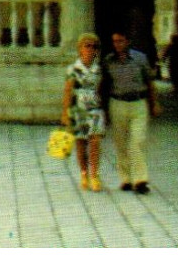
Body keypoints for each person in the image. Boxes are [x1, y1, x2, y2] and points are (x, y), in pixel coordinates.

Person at [101, 30, 160, 194]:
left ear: (127, 41)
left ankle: (140, 179)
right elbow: (104, 85)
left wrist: (154, 103)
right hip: (118, 102)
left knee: (137, 141)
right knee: (120, 142)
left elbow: (149, 82)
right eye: (114, 41)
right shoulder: (108, 61)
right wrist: (103, 108)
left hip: (138, 103)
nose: (117, 45)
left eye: (120, 41)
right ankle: (125, 178)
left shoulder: (140, 59)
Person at [61, 33, 107, 192]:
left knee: (95, 142)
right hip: (78, 109)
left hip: (94, 109)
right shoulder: (73, 69)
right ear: (80, 48)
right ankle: (84, 173)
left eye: (94, 46)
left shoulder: (98, 69)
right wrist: (65, 113)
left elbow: (101, 90)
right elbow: (68, 91)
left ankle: (94, 174)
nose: (90, 49)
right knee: (80, 143)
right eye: (87, 45)